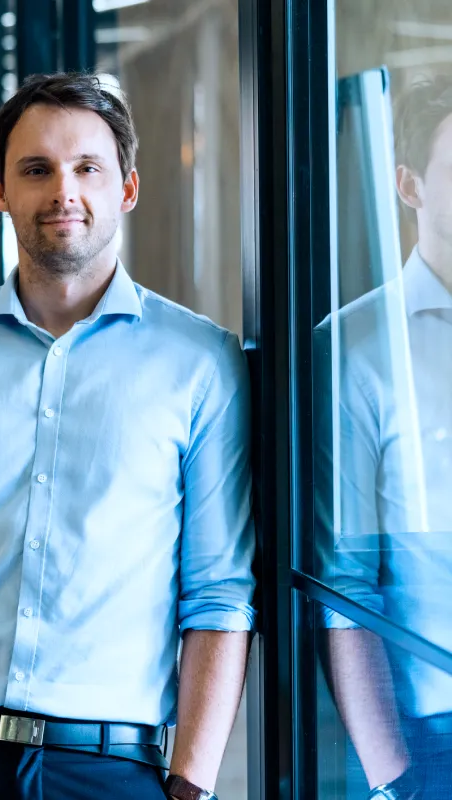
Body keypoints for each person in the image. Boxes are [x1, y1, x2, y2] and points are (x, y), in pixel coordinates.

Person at [0, 72, 256, 800]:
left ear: (126, 188)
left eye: (87, 168)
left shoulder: (201, 365)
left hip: (112, 770)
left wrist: (192, 783)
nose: (63, 190)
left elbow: (218, 594)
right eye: (36, 169)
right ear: (0, 189)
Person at [315, 73, 452, 800]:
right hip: (439, 731)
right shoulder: (357, 351)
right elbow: (345, 589)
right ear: (409, 186)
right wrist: (392, 781)